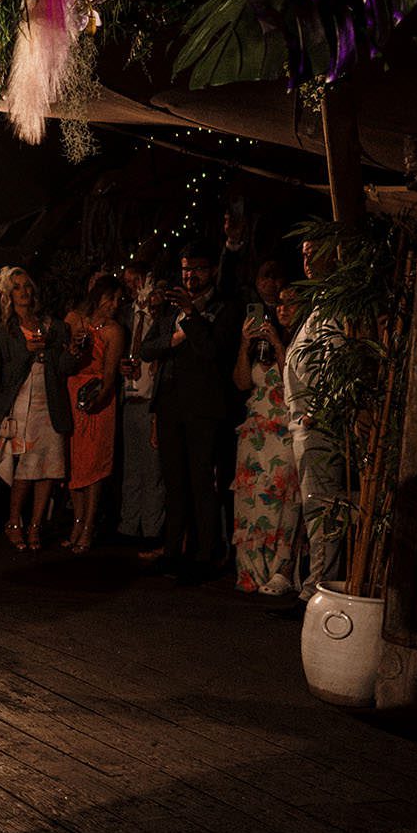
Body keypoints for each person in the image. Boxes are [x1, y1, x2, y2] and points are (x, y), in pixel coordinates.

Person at [140, 245, 234, 580]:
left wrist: (193, 317)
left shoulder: (222, 308)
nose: (189, 276)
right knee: (174, 482)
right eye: (185, 269)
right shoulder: (169, 311)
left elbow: (212, 351)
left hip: (203, 409)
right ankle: (171, 551)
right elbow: (146, 348)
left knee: (200, 483)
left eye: (196, 269)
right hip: (169, 406)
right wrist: (174, 338)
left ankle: (204, 555)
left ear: (211, 271)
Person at [0, 268, 77, 551]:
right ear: (8, 294)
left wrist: (72, 354)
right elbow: (1, 376)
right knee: (25, 468)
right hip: (21, 404)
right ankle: (14, 521)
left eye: (27, 286)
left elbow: (63, 369)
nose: (24, 292)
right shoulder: (3, 332)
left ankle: (36, 524)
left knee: (49, 467)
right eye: (17, 288)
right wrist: (27, 349)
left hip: (50, 403)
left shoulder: (54, 327)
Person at [233, 264, 304, 595]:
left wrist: (277, 344)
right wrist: (245, 345)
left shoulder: (299, 343)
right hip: (255, 430)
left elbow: (292, 383)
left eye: (291, 303)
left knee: (281, 501)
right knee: (252, 501)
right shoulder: (259, 339)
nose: (283, 309)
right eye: (280, 304)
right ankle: (250, 570)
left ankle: (280, 570)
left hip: (283, 429)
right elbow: (242, 381)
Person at [285, 239, 347, 602]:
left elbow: (335, 358)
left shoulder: (336, 302)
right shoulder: (320, 301)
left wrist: (318, 412)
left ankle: (319, 589)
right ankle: (314, 587)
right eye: (303, 252)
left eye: (314, 250)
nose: (306, 258)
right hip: (305, 420)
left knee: (322, 508)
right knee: (314, 507)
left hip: (317, 423)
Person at [64, 274, 129, 554]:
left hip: (98, 398)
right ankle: (76, 522)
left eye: (118, 300)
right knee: (74, 465)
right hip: (71, 392)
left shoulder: (114, 330)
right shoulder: (74, 319)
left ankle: (89, 525)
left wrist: (97, 400)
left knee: (94, 466)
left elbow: (110, 374)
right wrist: (75, 346)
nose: (114, 304)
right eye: (111, 297)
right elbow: (63, 359)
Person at [117, 250, 167, 543]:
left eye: (137, 280)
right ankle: (128, 524)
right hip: (129, 396)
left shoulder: (160, 315)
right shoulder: (126, 315)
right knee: (131, 467)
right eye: (128, 282)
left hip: (152, 397)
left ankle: (151, 528)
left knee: (153, 468)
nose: (133, 286)